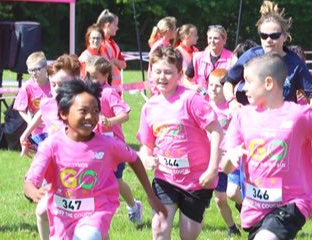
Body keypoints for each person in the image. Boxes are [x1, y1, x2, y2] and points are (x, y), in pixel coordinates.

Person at [221, 54, 312, 240]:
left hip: (292, 203)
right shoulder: (241, 116)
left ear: (268, 83)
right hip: (255, 208)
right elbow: (226, 166)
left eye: (248, 81)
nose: (243, 87)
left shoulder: (298, 115)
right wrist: (230, 159)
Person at [23, 79, 165, 240]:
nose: (90, 117)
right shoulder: (50, 145)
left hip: (97, 211)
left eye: (96, 111)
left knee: (88, 236)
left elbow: (133, 158)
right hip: (62, 217)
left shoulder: (108, 144)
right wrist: (33, 191)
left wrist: (150, 195)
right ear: (64, 113)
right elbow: (31, 180)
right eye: (83, 111)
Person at [136, 46, 223, 240]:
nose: (162, 77)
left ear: (180, 74)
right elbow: (145, 144)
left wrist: (212, 169)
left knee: (188, 234)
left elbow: (216, 130)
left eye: (168, 72)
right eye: (157, 71)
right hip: (165, 177)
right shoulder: (149, 107)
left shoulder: (191, 100)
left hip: (197, 180)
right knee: (159, 228)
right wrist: (146, 157)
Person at [19, 55, 81, 240]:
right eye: (53, 85)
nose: (56, 90)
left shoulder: (84, 107)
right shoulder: (48, 103)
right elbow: (40, 113)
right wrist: (24, 135)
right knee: (42, 212)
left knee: (87, 220)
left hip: (81, 172)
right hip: (56, 171)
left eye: (62, 85)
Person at [224, 0, 312, 108]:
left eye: (274, 36)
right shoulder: (250, 56)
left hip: (281, 121)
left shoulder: (295, 63)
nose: (268, 40)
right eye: (264, 36)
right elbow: (228, 82)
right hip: (250, 118)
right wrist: (232, 102)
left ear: (284, 36)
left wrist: (303, 116)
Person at [85, 57, 145, 225]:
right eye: (88, 75)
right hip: (94, 144)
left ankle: (134, 206)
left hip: (113, 147)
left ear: (105, 76)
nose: (90, 80)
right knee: (93, 179)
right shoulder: (87, 92)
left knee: (116, 181)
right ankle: (94, 213)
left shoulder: (108, 93)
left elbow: (125, 114)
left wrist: (110, 122)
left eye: (94, 77)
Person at [206, 68, 241, 236]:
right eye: (210, 85)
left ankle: (249, 213)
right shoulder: (203, 107)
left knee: (234, 193)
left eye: (218, 86)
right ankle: (232, 229)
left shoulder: (231, 109)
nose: (213, 89)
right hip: (215, 163)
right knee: (220, 200)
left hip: (232, 162)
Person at [185, 25, 233, 92]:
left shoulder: (232, 59)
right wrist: (192, 86)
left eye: (216, 38)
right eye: (210, 38)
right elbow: (185, 79)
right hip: (201, 99)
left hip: (221, 100)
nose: (212, 41)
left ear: (224, 40)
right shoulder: (197, 57)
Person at [14, 52, 53, 136]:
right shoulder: (27, 87)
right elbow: (21, 110)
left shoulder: (54, 84)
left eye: (37, 69)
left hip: (53, 126)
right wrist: (32, 123)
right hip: (36, 129)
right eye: (30, 70)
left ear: (46, 68)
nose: (33, 73)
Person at [96, 10, 128, 88]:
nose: (117, 28)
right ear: (107, 25)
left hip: (116, 88)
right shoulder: (99, 43)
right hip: (104, 87)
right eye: (115, 25)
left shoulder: (114, 44)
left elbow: (124, 65)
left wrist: (114, 61)